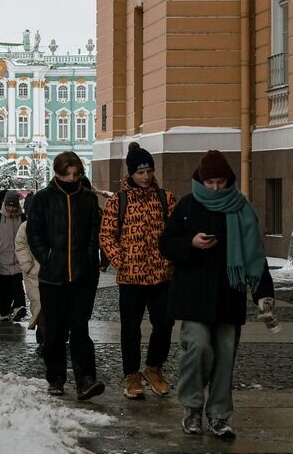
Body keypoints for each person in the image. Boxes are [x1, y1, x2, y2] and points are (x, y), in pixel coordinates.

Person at [160, 150, 276, 439]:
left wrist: (262, 294)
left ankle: (219, 416)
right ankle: (191, 408)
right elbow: (166, 244)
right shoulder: (187, 205)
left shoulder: (242, 208)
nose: (215, 187)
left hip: (229, 296)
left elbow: (255, 255)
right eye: (210, 181)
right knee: (198, 348)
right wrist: (191, 243)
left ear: (228, 180)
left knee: (225, 356)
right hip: (194, 295)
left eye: (220, 182)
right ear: (201, 179)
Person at [99, 142, 177, 399]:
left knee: (164, 323)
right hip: (131, 278)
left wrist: (169, 258)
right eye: (140, 172)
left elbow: (176, 232)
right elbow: (107, 235)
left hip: (160, 275)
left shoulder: (165, 198)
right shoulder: (118, 201)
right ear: (131, 174)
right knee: (130, 328)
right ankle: (131, 374)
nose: (145, 177)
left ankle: (154, 367)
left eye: (148, 171)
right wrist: (121, 261)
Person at [27, 151, 104, 400]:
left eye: (75, 173)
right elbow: (34, 232)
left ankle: (86, 380)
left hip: (82, 276)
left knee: (80, 329)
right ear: (57, 173)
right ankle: (56, 377)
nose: (71, 178)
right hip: (53, 277)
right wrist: (47, 257)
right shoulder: (43, 199)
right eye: (66, 174)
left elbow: (95, 232)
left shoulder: (88, 200)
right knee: (56, 330)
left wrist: (92, 260)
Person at [0, 192, 27, 321]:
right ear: (5, 205)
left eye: (14, 206)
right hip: (0, 260)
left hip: (18, 260)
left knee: (17, 286)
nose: (11, 209)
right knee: (2, 288)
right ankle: (4, 312)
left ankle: (19, 307)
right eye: (9, 206)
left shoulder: (23, 218)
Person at [14, 196, 43, 352]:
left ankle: (52, 338)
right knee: (38, 304)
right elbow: (20, 246)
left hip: (51, 272)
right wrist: (28, 266)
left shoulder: (51, 224)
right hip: (33, 274)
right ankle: (43, 338)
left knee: (53, 307)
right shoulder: (25, 227)